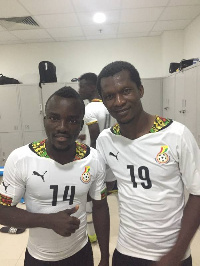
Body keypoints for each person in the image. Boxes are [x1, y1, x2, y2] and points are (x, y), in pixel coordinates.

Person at [96, 61, 200, 266]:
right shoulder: (105, 140)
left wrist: (176, 254)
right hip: (126, 251)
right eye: (110, 96)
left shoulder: (176, 135)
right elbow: (101, 192)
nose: (119, 101)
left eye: (126, 91)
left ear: (140, 90)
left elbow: (198, 194)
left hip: (171, 255)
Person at [0, 86, 110, 266]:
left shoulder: (93, 158)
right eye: (54, 118)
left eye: (72, 120)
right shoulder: (21, 158)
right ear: (44, 120)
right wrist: (48, 220)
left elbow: (100, 207)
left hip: (81, 254)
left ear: (81, 125)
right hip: (39, 258)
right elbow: (2, 211)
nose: (62, 127)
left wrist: (105, 257)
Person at [78, 73, 117, 243]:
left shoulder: (89, 110)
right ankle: (99, 232)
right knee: (101, 197)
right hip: (109, 157)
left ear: (92, 87)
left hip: (95, 158)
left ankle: (91, 233)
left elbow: (94, 136)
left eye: (82, 86)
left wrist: (91, 160)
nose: (79, 90)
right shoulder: (109, 106)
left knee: (88, 197)